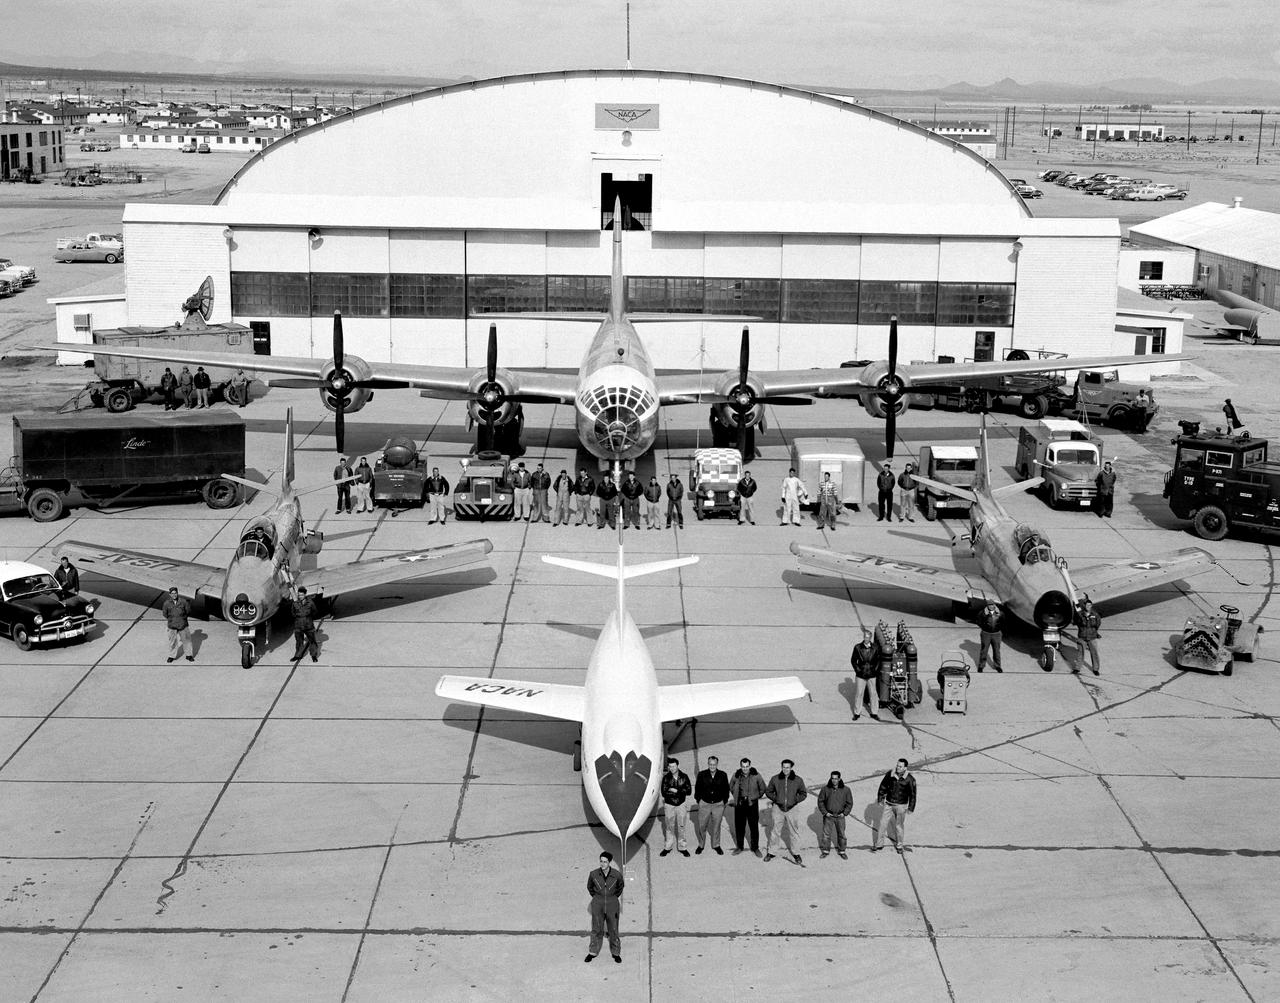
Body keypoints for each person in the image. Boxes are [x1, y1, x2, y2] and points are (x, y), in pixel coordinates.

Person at [764, 759, 807, 864]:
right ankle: (772, 852)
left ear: (791, 768)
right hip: (778, 808)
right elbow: (768, 791)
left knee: (794, 831)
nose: (785, 769)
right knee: (775, 831)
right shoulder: (775, 779)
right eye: (783, 767)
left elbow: (803, 793)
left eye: (787, 767)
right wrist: (776, 799)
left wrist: (795, 800)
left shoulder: (798, 780)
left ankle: (796, 853)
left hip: (792, 809)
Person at [584, 850, 624, 964]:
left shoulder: (616, 875)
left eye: (605, 862)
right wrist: (597, 897)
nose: (602, 864)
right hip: (598, 903)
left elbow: (620, 887)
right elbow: (590, 887)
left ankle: (616, 952)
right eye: (601, 861)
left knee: (614, 929)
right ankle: (592, 952)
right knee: (596, 928)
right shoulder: (593, 874)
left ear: (609, 862)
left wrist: (612, 897)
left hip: (612, 904)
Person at [873, 758, 917, 853]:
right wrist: (880, 798)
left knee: (899, 826)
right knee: (882, 824)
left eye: (900, 766)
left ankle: (899, 846)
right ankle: (879, 844)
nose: (898, 767)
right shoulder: (890, 774)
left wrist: (911, 808)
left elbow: (913, 795)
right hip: (888, 804)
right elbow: (883, 786)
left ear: (905, 768)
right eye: (897, 765)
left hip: (901, 806)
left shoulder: (910, 779)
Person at [729, 757, 767, 856]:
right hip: (740, 804)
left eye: (747, 766)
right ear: (740, 766)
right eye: (743, 766)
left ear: (750, 766)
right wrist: (736, 796)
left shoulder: (756, 775)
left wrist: (755, 797)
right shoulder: (736, 775)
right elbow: (731, 786)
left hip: (752, 804)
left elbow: (763, 788)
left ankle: (755, 848)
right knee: (739, 827)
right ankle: (739, 847)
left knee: (753, 827)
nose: (745, 768)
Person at [694, 755, 730, 855]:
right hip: (704, 803)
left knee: (716, 825)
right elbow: (697, 789)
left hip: (718, 804)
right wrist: (699, 801)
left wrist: (724, 801)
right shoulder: (702, 774)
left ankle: (716, 845)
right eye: (710, 764)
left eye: (714, 764)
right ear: (708, 764)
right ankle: (701, 845)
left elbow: (726, 789)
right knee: (702, 825)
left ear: (717, 764)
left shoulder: (723, 775)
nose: (712, 766)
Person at [659, 757, 692, 857]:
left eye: (673, 766)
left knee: (681, 826)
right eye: (670, 766)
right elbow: (664, 793)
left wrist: (676, 791)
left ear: (677, 765)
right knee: (669, 827)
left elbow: (689, 791)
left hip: (681, 805)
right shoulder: (666, 778)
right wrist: (681, 792)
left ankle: (682, 847)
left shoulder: (684, 776)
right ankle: (668, 847)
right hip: (669, 805)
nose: (671, 768)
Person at [818, 770, 854, 859]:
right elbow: (820, 801)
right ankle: (825, 851)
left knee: (841, 834)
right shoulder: (825, 789)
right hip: (829, 816)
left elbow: (849, 803)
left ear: (839, 779)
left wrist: (845, 813)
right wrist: (825, 813)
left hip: (840, 816)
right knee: (826, 835)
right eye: (832, 778)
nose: (834, 780)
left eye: (836, 779)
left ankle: (842, 851)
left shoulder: (846, 790)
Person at [851, 627, 882, 720]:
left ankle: (874, 713)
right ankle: (857, 713)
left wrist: (875, 670)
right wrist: (858, 670)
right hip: (861, 675)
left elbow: (878, 660)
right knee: (859, 693)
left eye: (868, 637)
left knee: (873, 694)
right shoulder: (857, 647)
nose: (866, 639)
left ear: (870, 638)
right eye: (865, 637)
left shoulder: (875, 648)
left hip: (872, 675)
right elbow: (853, 660)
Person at [162, 586, 194, 663]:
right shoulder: (166, 603)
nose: (174, 595)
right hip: (172, 625)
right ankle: (171, 656)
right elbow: (165, 614)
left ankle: (189, 655)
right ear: (170, 594)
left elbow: (188, 611)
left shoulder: (183, 602)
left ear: (177, 593)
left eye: (175, 593)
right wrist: (172, 619)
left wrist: (182, 618)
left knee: (187, 640)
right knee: (172, 642)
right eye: (172, 593)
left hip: (182, 624)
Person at [291, 586, 320, 662]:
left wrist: (308, 618)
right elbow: (293, 613)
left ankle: (314, 656)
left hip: (308, 625)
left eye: (301, 595)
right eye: (299, 595)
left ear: (305, 595)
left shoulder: (310, 603)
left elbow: (315, 612)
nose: (300, 596)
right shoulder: (295, 603)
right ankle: (298, 655)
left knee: (312, 641)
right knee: (299, 641)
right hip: (298, 625)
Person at [1076, 596, 1102, 676]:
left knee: (1094, 653)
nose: (1088, 607)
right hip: (1082, 637)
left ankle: (1095, 669)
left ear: (1091, 606)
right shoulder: (1080, 614)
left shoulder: (1095, 615)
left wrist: (1094, 632)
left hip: (1092, 637)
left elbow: (1098, 624)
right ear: (1084, 606)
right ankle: (1077, 668)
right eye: (1087, 605)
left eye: (1090, 605)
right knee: (1080, 653)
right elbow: (1077, 622)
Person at [977, 601, 1004, 673]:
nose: (990, 606)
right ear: (987, 606)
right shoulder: (982, 613)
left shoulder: (1000, 613)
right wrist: (984, 627)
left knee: (996, 651)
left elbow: (1003, 622)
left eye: (992, 605)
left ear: (994, 605)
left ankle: (998, 666)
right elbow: (979, 621)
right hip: (986, 634)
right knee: (984, 651)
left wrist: (998, 628)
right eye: (989, 605)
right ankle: (981, 666)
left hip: (996, 634)